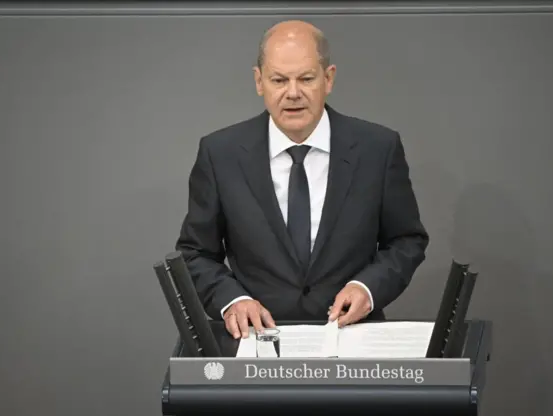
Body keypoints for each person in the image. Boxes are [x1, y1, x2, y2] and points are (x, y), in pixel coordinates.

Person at [175, 20, 429, 339]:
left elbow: (406, 240)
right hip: (258, 343)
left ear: (329, 78)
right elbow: (195, 252)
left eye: (306, 79)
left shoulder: (378, 149)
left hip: (352, 339)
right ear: (259, 81)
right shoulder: (220, 153)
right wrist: (233, 301)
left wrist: (368, 287)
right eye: (279, 80)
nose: (292, 93)